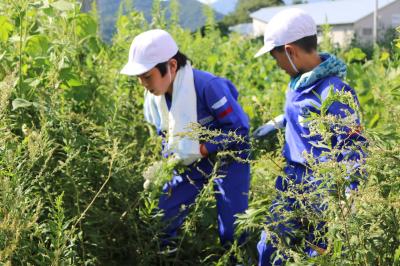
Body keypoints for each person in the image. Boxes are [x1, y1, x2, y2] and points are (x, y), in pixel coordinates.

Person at [252, 8, 366, 265]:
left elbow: (353, 148)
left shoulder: (334, 92)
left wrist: (349, 197)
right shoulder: (298, 81)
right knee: (270, 243)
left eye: (275, 56)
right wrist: (281, 121)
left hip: (322, 187)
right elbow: (302, 114)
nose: (276, 64)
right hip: (292, 179)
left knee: (319, 251)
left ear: (290, 51)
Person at [120, 29, 250, 250]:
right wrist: (166, 163)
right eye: (139, 78)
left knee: (231, 227)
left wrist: (205, 148)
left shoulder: (208, 86)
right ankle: (167, 257)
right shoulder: (157, 97)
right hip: (191, 158)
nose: (143, 84)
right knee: (164, 214)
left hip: (230, 156)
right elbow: (167, 135)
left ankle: (238, 259)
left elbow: (239, 129)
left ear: (171, 66)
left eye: (147, 76)